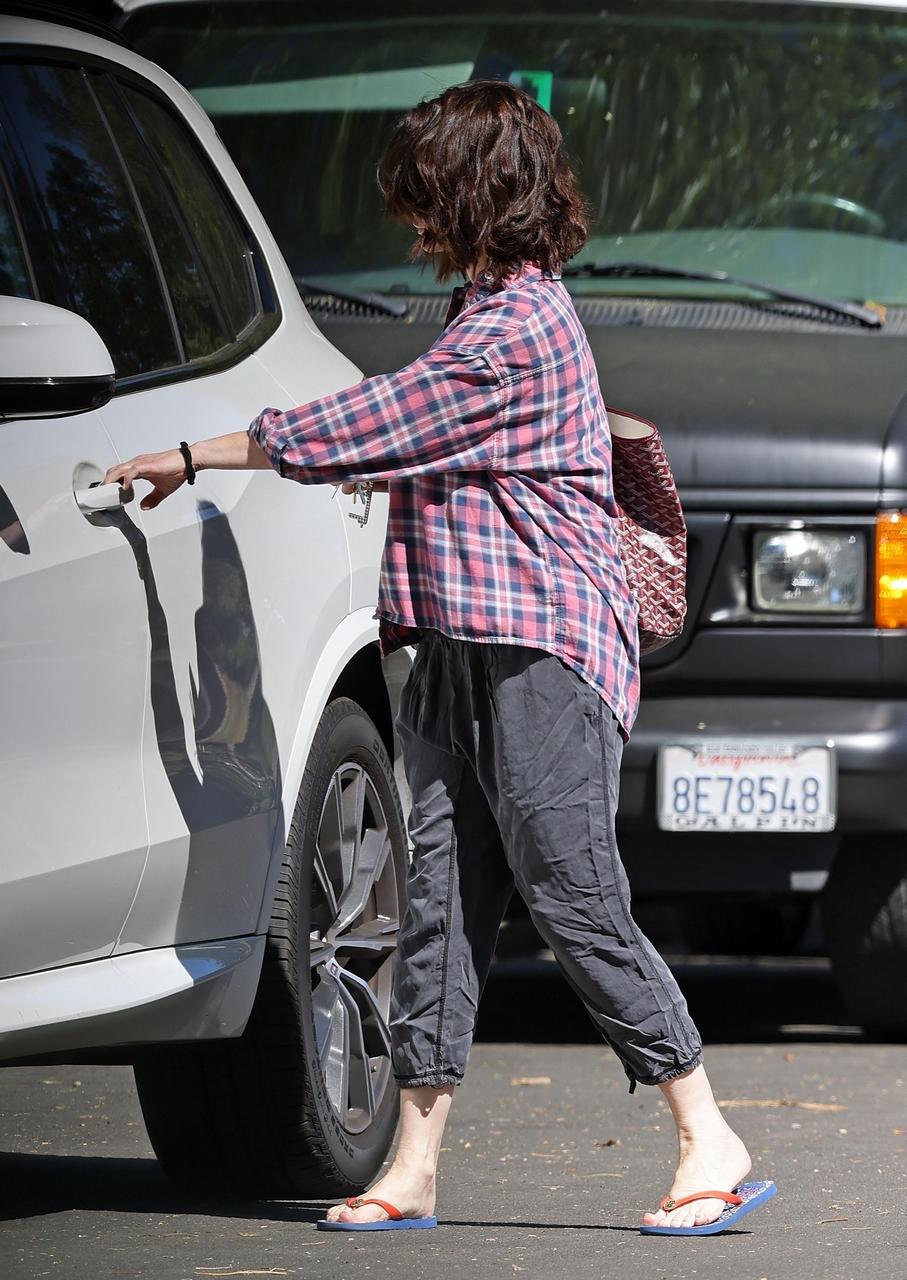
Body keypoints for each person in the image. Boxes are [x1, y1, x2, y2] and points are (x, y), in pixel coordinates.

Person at [105, 81, 773, 1236]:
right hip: (459, 644)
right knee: (441, 909)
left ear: (470, 193)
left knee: (571, 891)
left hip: (543, 652)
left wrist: (195, 451)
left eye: (421, 194)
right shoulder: (476, 305)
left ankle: (706, 1130)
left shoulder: (515, 329)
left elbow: (370, 425)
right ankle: (413, 1162)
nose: (407, 218)